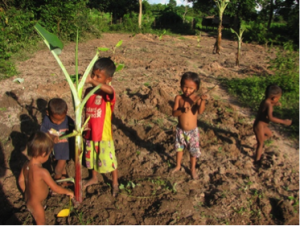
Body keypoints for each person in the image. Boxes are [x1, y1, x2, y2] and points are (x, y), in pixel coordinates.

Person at [18, 132, 74, 226]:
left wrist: (25, 192)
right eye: (49, 153)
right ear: (44, 154)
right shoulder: (42, 172)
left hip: (29, 199)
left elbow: (21, 180)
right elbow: (55, 188)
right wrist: (67, 192)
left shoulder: (26, 165)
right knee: (41, 222)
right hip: (36, 205)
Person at [83, 57, 119, 196]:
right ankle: (93, 177)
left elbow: (110, 91)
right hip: (89, 132)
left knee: (109, 159)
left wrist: (92, 81)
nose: (94, 78)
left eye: (98, 76)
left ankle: (115, 182)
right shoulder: (88, 92)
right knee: (91, 157)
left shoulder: (107, 92)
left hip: (103, 135)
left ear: (108, 79)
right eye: (93, 75)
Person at [171, 72, 208, 179]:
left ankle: (192, 169)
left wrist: (203, 101)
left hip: (192, 131)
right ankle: (178, 165)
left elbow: (200, 111)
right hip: (180, 130)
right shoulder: (179, 98)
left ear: (196, 88)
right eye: (185, 87)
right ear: (181, 86)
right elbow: (174, 113)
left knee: (193, 151)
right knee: (179, 149)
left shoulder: (196, 99)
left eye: (191, 88)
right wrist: (182, 110)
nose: (187, 90)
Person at [253, 85, 292, 162]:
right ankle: (257, 160)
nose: (278, 100)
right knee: (261, 145)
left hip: (262, 126)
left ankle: (258, 142)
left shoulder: (265, 102)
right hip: (259, 126)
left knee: (269, 134)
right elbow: (271, 118)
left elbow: (267, 108)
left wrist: (275, 104)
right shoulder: (269, 105)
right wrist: (284, 122)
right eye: (278, 98)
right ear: (274, 98)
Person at [41, 98, 74, 183]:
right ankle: (64, 181)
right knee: (60, 168)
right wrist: (52, 137)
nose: (59, 122)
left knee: (58, 170)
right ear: (48, 113)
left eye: (61, 120)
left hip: (64, 150)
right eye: (55, 120)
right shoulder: (46, 120)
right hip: (54, 150)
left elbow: (74, 129)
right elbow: (43, 133)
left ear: (66, 112)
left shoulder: (68, 120)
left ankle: (56, 183)